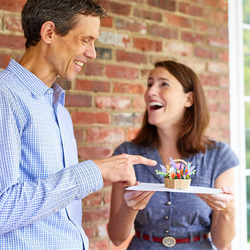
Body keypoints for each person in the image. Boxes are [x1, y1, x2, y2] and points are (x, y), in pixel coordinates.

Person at [0, 1, 157, 249]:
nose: (92, 53)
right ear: (49, 32)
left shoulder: (59, 109)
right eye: (85, 40)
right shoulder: (4, 96)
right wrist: (95, 172)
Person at [107, 60, 239, 250]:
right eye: (150, 84)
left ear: (189, 99)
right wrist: (131, 207)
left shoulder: (219, 157)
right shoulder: (127, 155)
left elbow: (222, 244)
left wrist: (229, 212)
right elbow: (116, 238)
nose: (150, 91)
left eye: (164, 84)